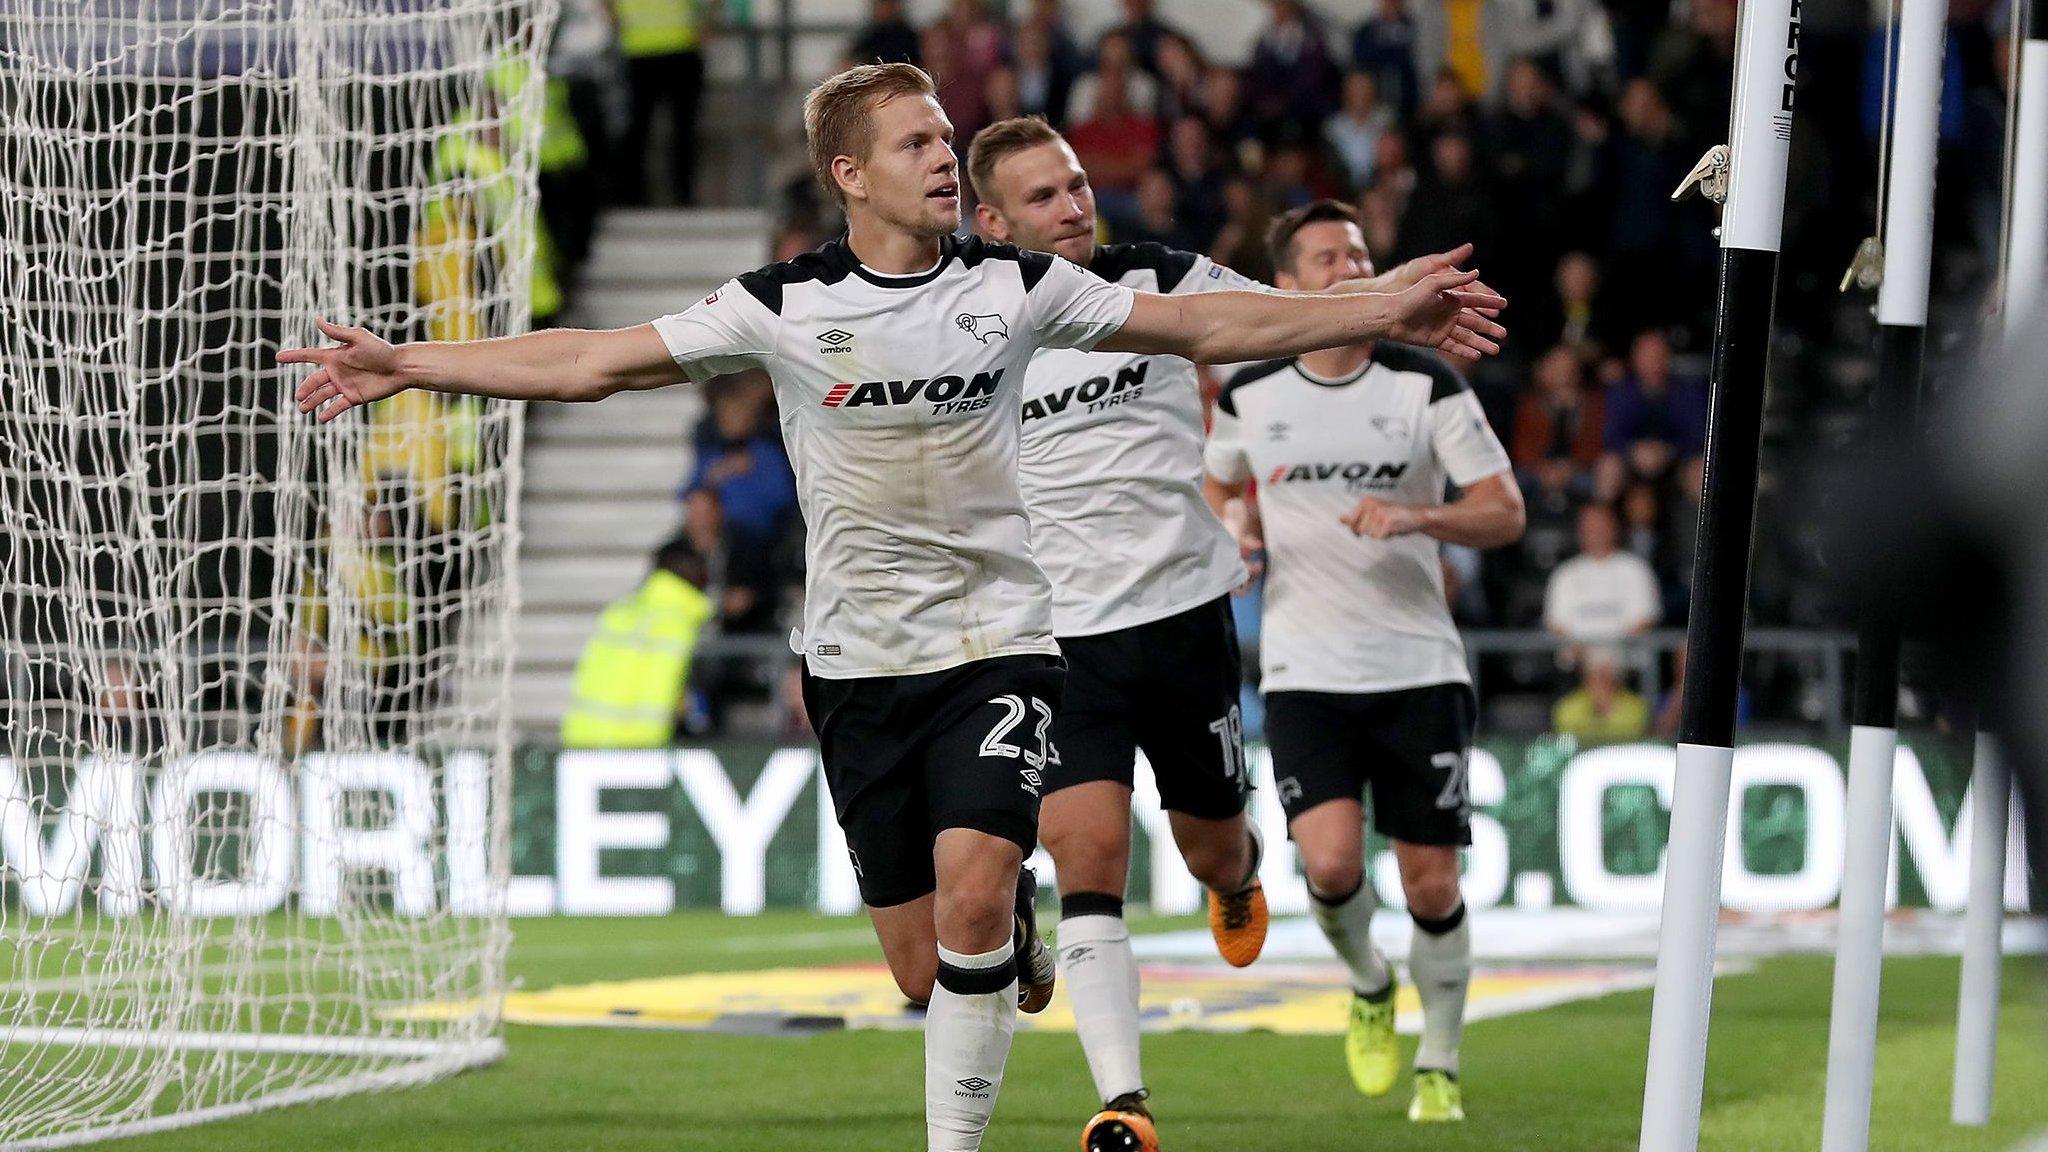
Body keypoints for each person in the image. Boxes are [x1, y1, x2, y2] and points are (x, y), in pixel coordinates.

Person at [283, 64, 1505, 1152]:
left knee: (978, 885)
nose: (942, 155)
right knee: (929, 964)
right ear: (849, 174)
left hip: (1004, 646)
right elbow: (592, 361)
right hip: (860, 663)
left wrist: (1375, 307)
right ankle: (1006, 941)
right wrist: (409, 364)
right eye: (920, 143)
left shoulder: (1018, 289)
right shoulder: (782, 304)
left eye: (946, 137)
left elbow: (1203, 320)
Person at [967, 117, 1501, 1150]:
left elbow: (1282, 311)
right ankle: (1122, 1102)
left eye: (1076, 184)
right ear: (988, 221)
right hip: (1055, 636)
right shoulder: (964, 326)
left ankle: (1239, 876)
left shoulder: (1158, 279)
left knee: (1212, 849)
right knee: (1088, 856)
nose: (1073, 205)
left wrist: (1392, 307)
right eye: (1042, 197)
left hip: (1179, 619)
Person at [1202, 200, 1524, 1126]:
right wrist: (1239, 525)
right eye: (1325, 256)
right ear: (1290, 286)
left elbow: (1504, 513)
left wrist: (1416, 516)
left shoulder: (1425, 383)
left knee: (1432, 881)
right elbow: (1220, 475)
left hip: (1418, 663)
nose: (1348, 265)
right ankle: (1370, 982)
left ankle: (1442, 1061)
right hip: (1305, 667)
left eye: (1359, 251)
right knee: (1333, 867)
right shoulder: (1252, 389)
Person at [560, 537, 717, 748]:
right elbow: (685, 700)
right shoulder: (682, 625)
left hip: (582, 742)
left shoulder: (619, 613)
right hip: (641, 750)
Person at [612, 0, 710, 206]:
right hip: (666, 48)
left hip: (659, 48)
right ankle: (674, 196)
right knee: (664, 131)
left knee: (653, 131)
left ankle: (638, 196)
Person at [1543, 502, 1661, 654]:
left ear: (1614, 527)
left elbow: (1644, 621)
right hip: (1579, 665)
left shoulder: (1635, 569)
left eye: (1601, 525)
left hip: (1625, 664)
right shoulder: (1564, 573)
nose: (1596, 532)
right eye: (1590, 527)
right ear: (1580, 531)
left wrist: (1609, 655)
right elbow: (1556, 625)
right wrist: (1589, 656)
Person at [1552, 646, 1649, 743]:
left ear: (1618, 678)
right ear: (1585, 676)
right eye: (1595, 673)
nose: (1600, 680)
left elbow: (1629, 740)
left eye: (1606, 674)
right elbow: (1568, 743)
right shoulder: (1566, 707)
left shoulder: (1636, 706)